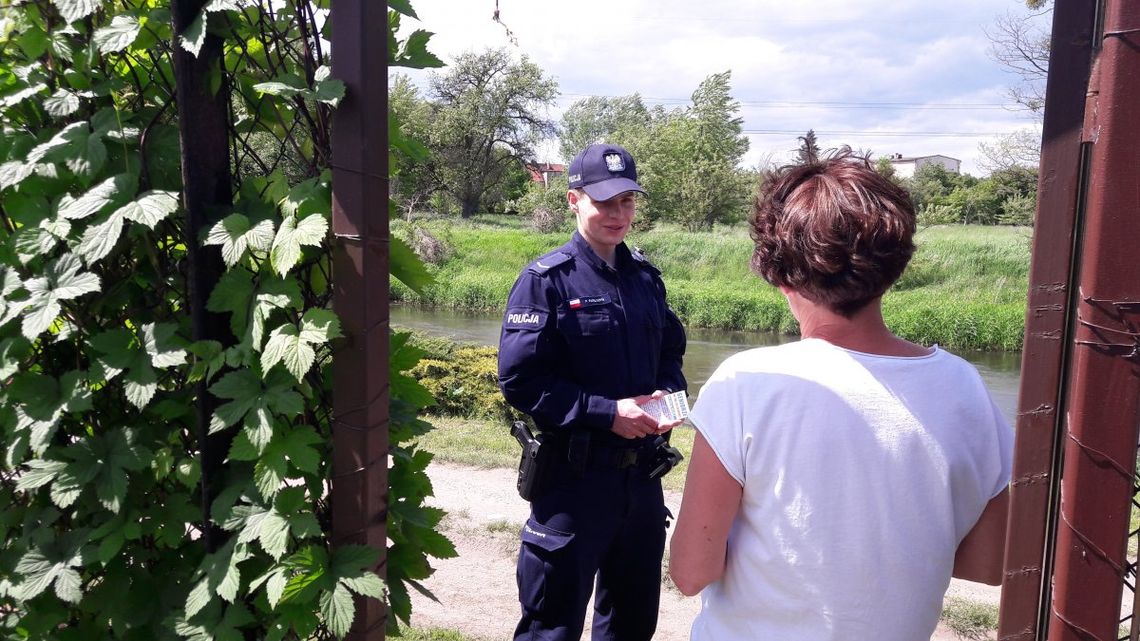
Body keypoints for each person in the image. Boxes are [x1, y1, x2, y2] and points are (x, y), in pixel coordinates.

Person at [668, 149, 1012, 640]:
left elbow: (691, 571)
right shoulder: (963, 386)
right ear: (894, 264)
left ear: (778, 271)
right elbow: (989, 562)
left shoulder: (744, 382)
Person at [497, 143, 687, 641]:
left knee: (631, 624)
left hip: (642, 482)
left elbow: (670, 351)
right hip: (573, 482)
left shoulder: (646, 279)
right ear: (573, 200)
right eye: (604, 202)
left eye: (627, 201)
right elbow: (520, 379)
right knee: (551, 626)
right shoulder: (546, 281)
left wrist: (670, 398)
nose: (617, 214)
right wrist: (606, 413)